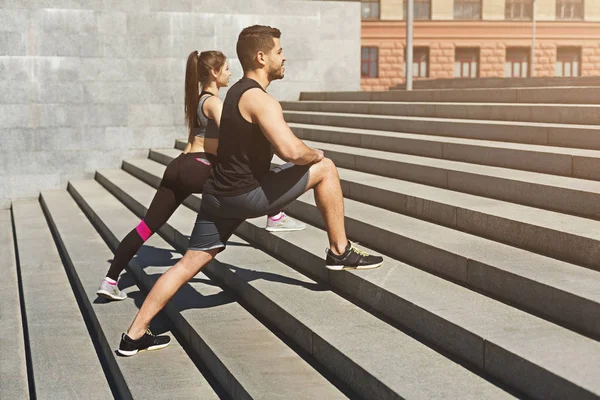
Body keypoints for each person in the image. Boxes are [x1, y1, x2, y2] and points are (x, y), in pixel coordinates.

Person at [117, 25, 383, 356]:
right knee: (325, 170)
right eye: (279, 52)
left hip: (217, 195)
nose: (284, 58)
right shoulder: (260, 99)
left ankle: (134, 334)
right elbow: (291, 151)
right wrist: (317, 155)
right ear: (261, 57)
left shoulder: (234, 94)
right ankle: (339, 251)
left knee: (188, 263)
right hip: (245, 195)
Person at [97, 49, 304, 302]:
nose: (230, 73)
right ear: (215, 73)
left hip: (179, 167)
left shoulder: (197, 100)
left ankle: (110, 280)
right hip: (199, 166)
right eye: (226, 69)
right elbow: (234, 136)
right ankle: (275, 215)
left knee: (146, 227)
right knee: (251, 174)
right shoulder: (214, 102)